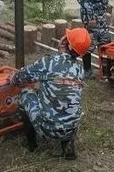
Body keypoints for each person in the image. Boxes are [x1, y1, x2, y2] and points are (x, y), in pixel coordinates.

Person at [9, 27, 91, 160]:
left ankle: (32, 144)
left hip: (47, 129)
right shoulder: (79, 70)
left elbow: (20, 78)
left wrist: (12, 78)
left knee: (25, 93)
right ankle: (68, 148)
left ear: (66, 43)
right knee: (68, 102)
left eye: (66, 37)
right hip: (71, 128)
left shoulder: (48, 62)